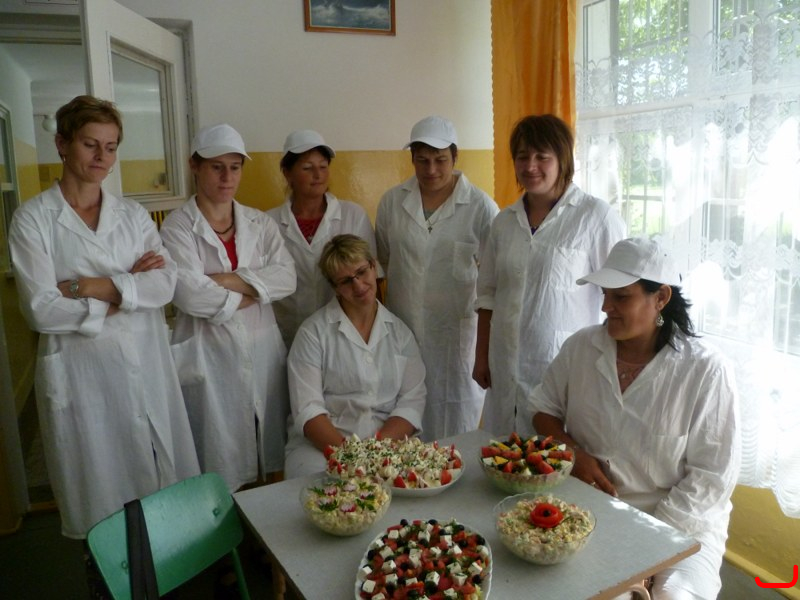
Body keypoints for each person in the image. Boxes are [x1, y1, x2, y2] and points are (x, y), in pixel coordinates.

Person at [8, 95, 199, 539]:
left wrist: (87, 286)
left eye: (111, 147)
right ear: (62, 144)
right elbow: (41, 309)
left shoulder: (132, 215)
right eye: (90, 144)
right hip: (83, 376)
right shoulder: (33, 219)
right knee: (101, 493)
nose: (102, 157)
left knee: (160, 483)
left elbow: (164, 284)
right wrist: (129, 289)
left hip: (145, 362)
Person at [530, 237, 740, 599]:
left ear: (661, 298)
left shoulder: (705, 370)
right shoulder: (581, 348)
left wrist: (648, 547)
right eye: (604, 295)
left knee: (678, 594)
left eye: (621, 297)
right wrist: (573, 453)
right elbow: (543, 409)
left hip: (683, 520)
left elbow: (711, 480)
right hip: (591, 509)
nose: (605, 307)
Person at [159, 123, 296, 491]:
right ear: (194, 165)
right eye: (216, 167)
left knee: (268, 453)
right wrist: (257, 291)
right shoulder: (177, 227)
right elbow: (189, 294)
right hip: (209, 355)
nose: (227, 177)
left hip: (262, 349)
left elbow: (287, 278)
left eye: (235, 167)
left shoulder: (259, 222)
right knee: (219, 461)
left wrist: (225, 279)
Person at [473, 114, 626, 436]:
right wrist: (481, 356)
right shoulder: (503, 222)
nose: (531, 166)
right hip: (504, 364)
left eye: (542, 157)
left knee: (554, 452)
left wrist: (615, 366)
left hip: (563, 364)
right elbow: (488, 294)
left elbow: (619, 296)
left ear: (563, 160)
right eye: (522, 156)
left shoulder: (595, 217)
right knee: (502, 449)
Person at [376, 116, 498, 441]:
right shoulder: (392, 202)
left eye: (440, 160)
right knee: (405, 428)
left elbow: (493, 282)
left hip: (456, 343)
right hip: (403, 335)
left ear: (455, 157)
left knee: (455, 433)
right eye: (422, 160)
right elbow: (383, 263)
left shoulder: (481, 208)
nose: (431, 169)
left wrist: (486, 353)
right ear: (412, 159)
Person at [284, 234, 426, 478]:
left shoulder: (400, 333)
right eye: (346, 281)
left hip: (387, 444)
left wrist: (376, 452)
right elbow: (308, 410)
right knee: (323, 490)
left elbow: (412, 401)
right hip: (324, 447)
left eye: (361, 272)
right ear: (335, 287)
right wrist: (350, 457)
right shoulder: (312, 333)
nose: (358, 286)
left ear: (373, 266)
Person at [267, 129, 378, 347]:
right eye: (307, 168)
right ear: (287, 173)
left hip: (345, 335)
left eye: (323, 167)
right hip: (286, 333)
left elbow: (371, 278)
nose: (318, 175)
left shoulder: (353, 215)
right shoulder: (268, 223)